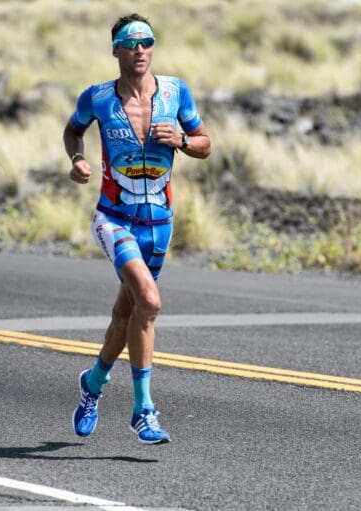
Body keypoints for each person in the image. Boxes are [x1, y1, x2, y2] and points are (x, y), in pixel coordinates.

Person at [63, 13, 211, 445]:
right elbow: (73, 132)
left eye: (147, 41)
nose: (141, 49)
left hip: (159, 225)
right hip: (114, 219)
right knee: (149, 301)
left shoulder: (175, 92)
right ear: (116, 51)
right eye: (131, 43)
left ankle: (92, 384)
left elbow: (206, 144)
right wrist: (76, 160)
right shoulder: (98, 98)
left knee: (124, 317)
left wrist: (182, 141)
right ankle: (142, 411)